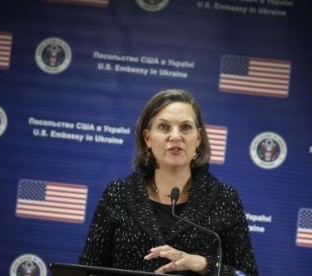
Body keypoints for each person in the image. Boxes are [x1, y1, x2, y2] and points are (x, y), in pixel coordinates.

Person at [79, 89, 258, 275]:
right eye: (164, 127)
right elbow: (87, 270)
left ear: (198, 138)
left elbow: (247, 274)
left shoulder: (224, 199)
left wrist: (205, 264)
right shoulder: (118, 193)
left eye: (185, 127)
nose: (175, 136)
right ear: (147, 138)